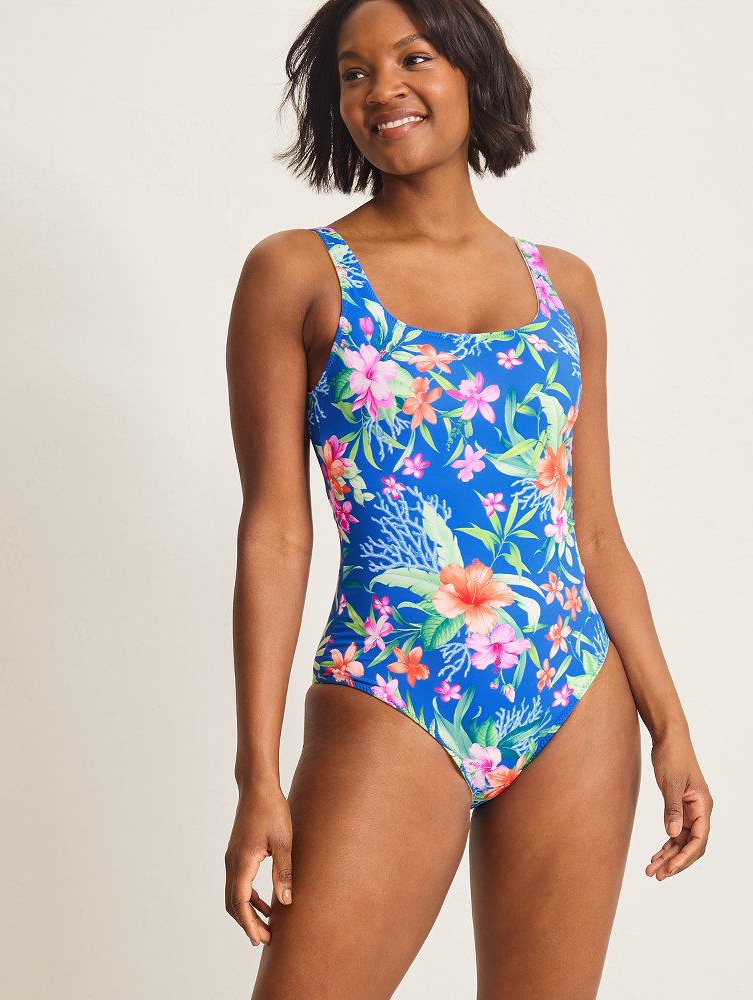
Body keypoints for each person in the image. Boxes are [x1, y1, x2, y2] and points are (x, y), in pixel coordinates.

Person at [224, 1, 713, 996]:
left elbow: (594, 531)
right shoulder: (298, 274)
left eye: (414, 58)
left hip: (575, 692)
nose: (382, 90)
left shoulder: (565, 288)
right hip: (391, 688)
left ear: (471, 73)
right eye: (353, 73)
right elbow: (275, 533)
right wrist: (257, 774)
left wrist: (671, 727)